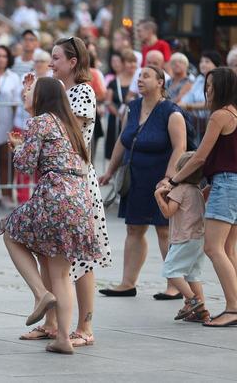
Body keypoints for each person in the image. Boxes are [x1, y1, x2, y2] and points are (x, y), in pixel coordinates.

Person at [0, 77, 102, 355]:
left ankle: (40, 293)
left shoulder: (40, 121)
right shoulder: (72, 126)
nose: (25, 94)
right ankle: (63, 338)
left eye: (30, 91)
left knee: (9, 232)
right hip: (79, 202)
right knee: (62, 274)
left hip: (54, 196)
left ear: (42, 96)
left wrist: (17, 148)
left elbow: (26, 164)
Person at [20, 37, 111, 346]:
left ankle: (85, 327)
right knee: (50, 254)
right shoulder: (61, 92)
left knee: (80, 260)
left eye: (56, 58)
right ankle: (52, 323)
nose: (51, 62)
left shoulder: (82, 92)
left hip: (78, 183)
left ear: (73, 62)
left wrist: (34, 103)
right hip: (58, 183)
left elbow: (60, 126)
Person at [99, 66, 187, 299]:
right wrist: (110, 170)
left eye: (146, 76)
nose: (140, 79)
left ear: (160, 82)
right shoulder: (133, 107)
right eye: (139, 76)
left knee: (163, 230)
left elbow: (180, 147)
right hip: (135, 176)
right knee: (134, 227)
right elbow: (123, 139)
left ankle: (175, 285)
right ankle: (127, 283)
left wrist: (169, 178)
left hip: (161, 178)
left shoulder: (171, 111)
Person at [162, 67, 237, 327]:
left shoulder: (220, 115)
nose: (207, 90)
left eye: (211, 85)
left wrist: (174, 180)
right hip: (232, 184)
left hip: (227, 184)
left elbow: (200, 156)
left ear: (224, 88)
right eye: (207, 84)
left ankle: (233, 308)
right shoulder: (235, 114)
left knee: (213, 248)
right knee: (228, 249)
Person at [154, 151, 208, 322]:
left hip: (184, 238)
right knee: (193, 274)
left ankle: (192, 301)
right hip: (198, 239)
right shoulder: (197, 190)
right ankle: (202, 312)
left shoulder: (180, 190)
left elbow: (168, 213)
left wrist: (158, 196)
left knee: (170, 270)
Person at [0, 45, 23, 207]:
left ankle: (6, 195)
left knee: (5, 160)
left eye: (4, 56)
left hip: (6, 121)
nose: (1, 59)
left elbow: (16, 103)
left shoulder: (13, 77)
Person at [104, 49, 138, 159]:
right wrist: (119, 115)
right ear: (123, 64)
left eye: (134, 61)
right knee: (115, 154)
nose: (132, 65)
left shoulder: (139, 80)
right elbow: (108, 101)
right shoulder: (114, 82)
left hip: (134, 120)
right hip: (116, 120)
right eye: (129, 62)